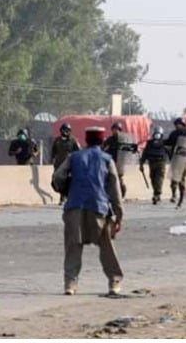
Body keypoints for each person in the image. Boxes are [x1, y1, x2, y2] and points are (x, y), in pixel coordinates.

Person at [52, 126, 124, 296]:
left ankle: (70, 284)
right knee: (106, 248)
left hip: (74, 207)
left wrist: (66, 188)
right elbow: (115, 189)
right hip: (98, 207)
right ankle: (114, 282)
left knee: (73, 248)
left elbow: (58, 177)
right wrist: (119, 215)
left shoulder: (74, 157)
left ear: (86, 139)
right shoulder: (107, 159)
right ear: (101, 140)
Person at [165, 118, 186, 203]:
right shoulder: (174, 134)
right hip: (175, 158)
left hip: (184, 159)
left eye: (178, 124)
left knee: (181, 179)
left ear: (182, 124)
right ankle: (174, 194)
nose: (177, 126)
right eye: (176, 124)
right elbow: (169, 142)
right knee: (174, 178)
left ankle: (181, 194)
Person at [51, 123, 81, 204]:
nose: (65, 132)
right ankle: (63, 196)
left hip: (68, 165)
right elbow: (53, 151)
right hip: (58, 164)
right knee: (56, 182)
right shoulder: (57, 140)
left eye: (67, 130)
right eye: (64, 130)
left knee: (67, 181)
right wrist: (52, 159)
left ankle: (64, 197)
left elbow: (79, 152)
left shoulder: (73, 140)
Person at [102, 122, 132, 199]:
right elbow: (103, 148)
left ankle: (121, 194)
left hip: (119, 163)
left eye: (117, 129)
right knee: (109, 178)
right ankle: (110, 194)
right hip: (110, 162)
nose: (115, 131)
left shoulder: (123, 140)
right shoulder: (110, 139)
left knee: (118, 179)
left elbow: (129, 149)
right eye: (114, 129)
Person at [139, 126, 168, 205]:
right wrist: (141, 163)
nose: (157, 135)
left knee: (159, 179)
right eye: (156, 133)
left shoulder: (164, 143)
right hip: (151, 163)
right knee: (153, 179)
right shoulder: (149, 143)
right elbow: (145, 153)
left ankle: (157, 194)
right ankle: (156, 193)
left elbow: (169, 151)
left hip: (161, 163)